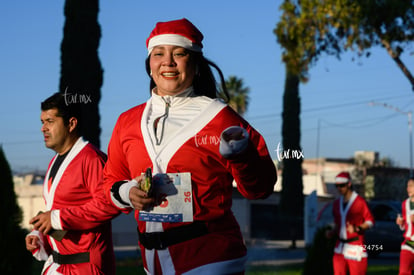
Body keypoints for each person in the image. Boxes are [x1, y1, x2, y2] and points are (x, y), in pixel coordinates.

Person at [103, 18, 277, 274]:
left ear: (195, 65)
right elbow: (110, 182)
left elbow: (260, 188)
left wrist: (242, 157)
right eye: (159, 53)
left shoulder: (221, 118)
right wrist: (127, 192)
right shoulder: (127, 122)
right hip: (152, 263)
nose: (168, 62)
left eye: (179, 53)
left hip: (211, 258)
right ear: (149, 65)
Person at [25, 92, 120, 275]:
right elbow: (58, 208)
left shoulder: (92, 158)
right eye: (42, 122)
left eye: (50, 121)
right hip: (58, 265)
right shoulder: (55, 161)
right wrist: (40, 234)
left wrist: (55, 218)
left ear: (71, 124)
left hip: (85, 267)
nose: (43, 128)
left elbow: (109, 204)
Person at [326, 171, 374, 275]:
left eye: (342, 185)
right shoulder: (336, 203)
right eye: (337, 186)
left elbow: (370, 221)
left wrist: (357, 228)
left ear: (349, 184)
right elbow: (337, 223)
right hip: (340, 247)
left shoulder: (360, 202)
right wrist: (332, 231)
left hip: (355, 246)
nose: (339, 188)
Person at [396, 177, 414, 275]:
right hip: (408, 244)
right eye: (407, 186)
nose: (408, 189)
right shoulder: (405, 204)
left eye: (411, 186)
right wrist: (401, 223)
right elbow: (405, 226)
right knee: (403, 272)